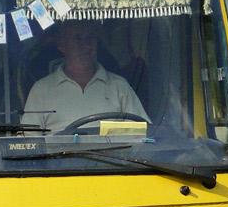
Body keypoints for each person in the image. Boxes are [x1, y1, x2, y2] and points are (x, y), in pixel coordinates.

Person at [21, 19, 149, 133]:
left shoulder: (119, 86)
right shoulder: (41, 89)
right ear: (62, 45)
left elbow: (141, 133)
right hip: (58, 158)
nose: (85, 45)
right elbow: (30, 140)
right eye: (77, 38)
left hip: (111, 158)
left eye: (90, 38)